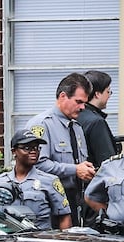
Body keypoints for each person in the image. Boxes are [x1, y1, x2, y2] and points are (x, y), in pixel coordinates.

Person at [26, 72, 95, 227]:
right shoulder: (42, 124)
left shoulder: (76, 127)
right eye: (78, 102)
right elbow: (36, 165)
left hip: (73, 200)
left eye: (84, 103)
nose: (83, 107)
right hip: (48, 203)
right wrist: (75, 170)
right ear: (63, 96)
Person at [0, 129, 72, 230]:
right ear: (14, 151)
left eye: (36, 148)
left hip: (38, 241)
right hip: (6, 240)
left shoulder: (50, 181)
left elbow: (64, 217)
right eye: (27, 148)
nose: (33, 151)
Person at [77, 70, 119, 168]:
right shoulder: (97, 122)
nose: (109, 95)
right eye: (108, 91)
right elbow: (107, 162)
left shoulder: (74, 115)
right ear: (97, 94)